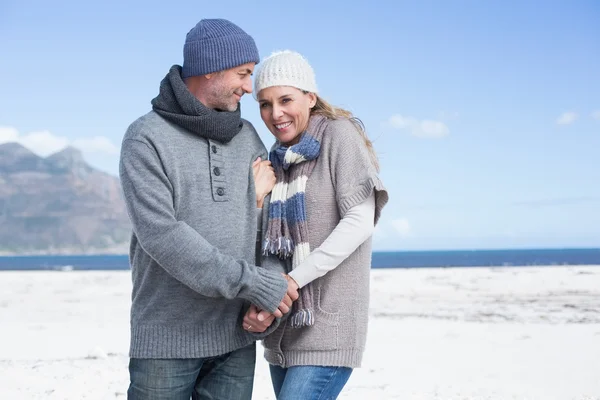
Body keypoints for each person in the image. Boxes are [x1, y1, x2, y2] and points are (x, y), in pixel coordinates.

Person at [119, 20, 298, 400]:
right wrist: (256, 283)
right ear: (211, 68)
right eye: (243, 74)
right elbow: (163, 236)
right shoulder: (145, 137)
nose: (249, 88)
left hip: (236, 337)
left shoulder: (248, 135)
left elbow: (269, 224)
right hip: (167, 341)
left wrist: (264, 301)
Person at [243, 50, 389, 399]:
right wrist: (257, 200)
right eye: (264, 103)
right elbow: (268, 245)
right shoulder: (278, 158)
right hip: (285, 329)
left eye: (286, 99)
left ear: (310, 97)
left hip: (328, 327)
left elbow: (359, 222)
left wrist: (292, 280)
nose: (275, 113)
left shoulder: (339, 136)